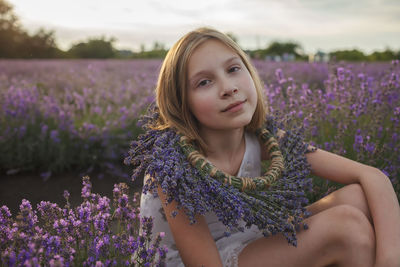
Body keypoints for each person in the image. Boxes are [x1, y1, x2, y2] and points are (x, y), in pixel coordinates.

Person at [127, 27, 400, 267]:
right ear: (180, 102)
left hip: (248, 241)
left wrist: (389, 259)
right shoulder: (174, 167)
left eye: (233, 69)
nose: (228, 88)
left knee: (359, 198)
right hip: (201, 261)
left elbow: (372, 176)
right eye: (204, 82)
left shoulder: (261, 137)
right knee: (347, 229)